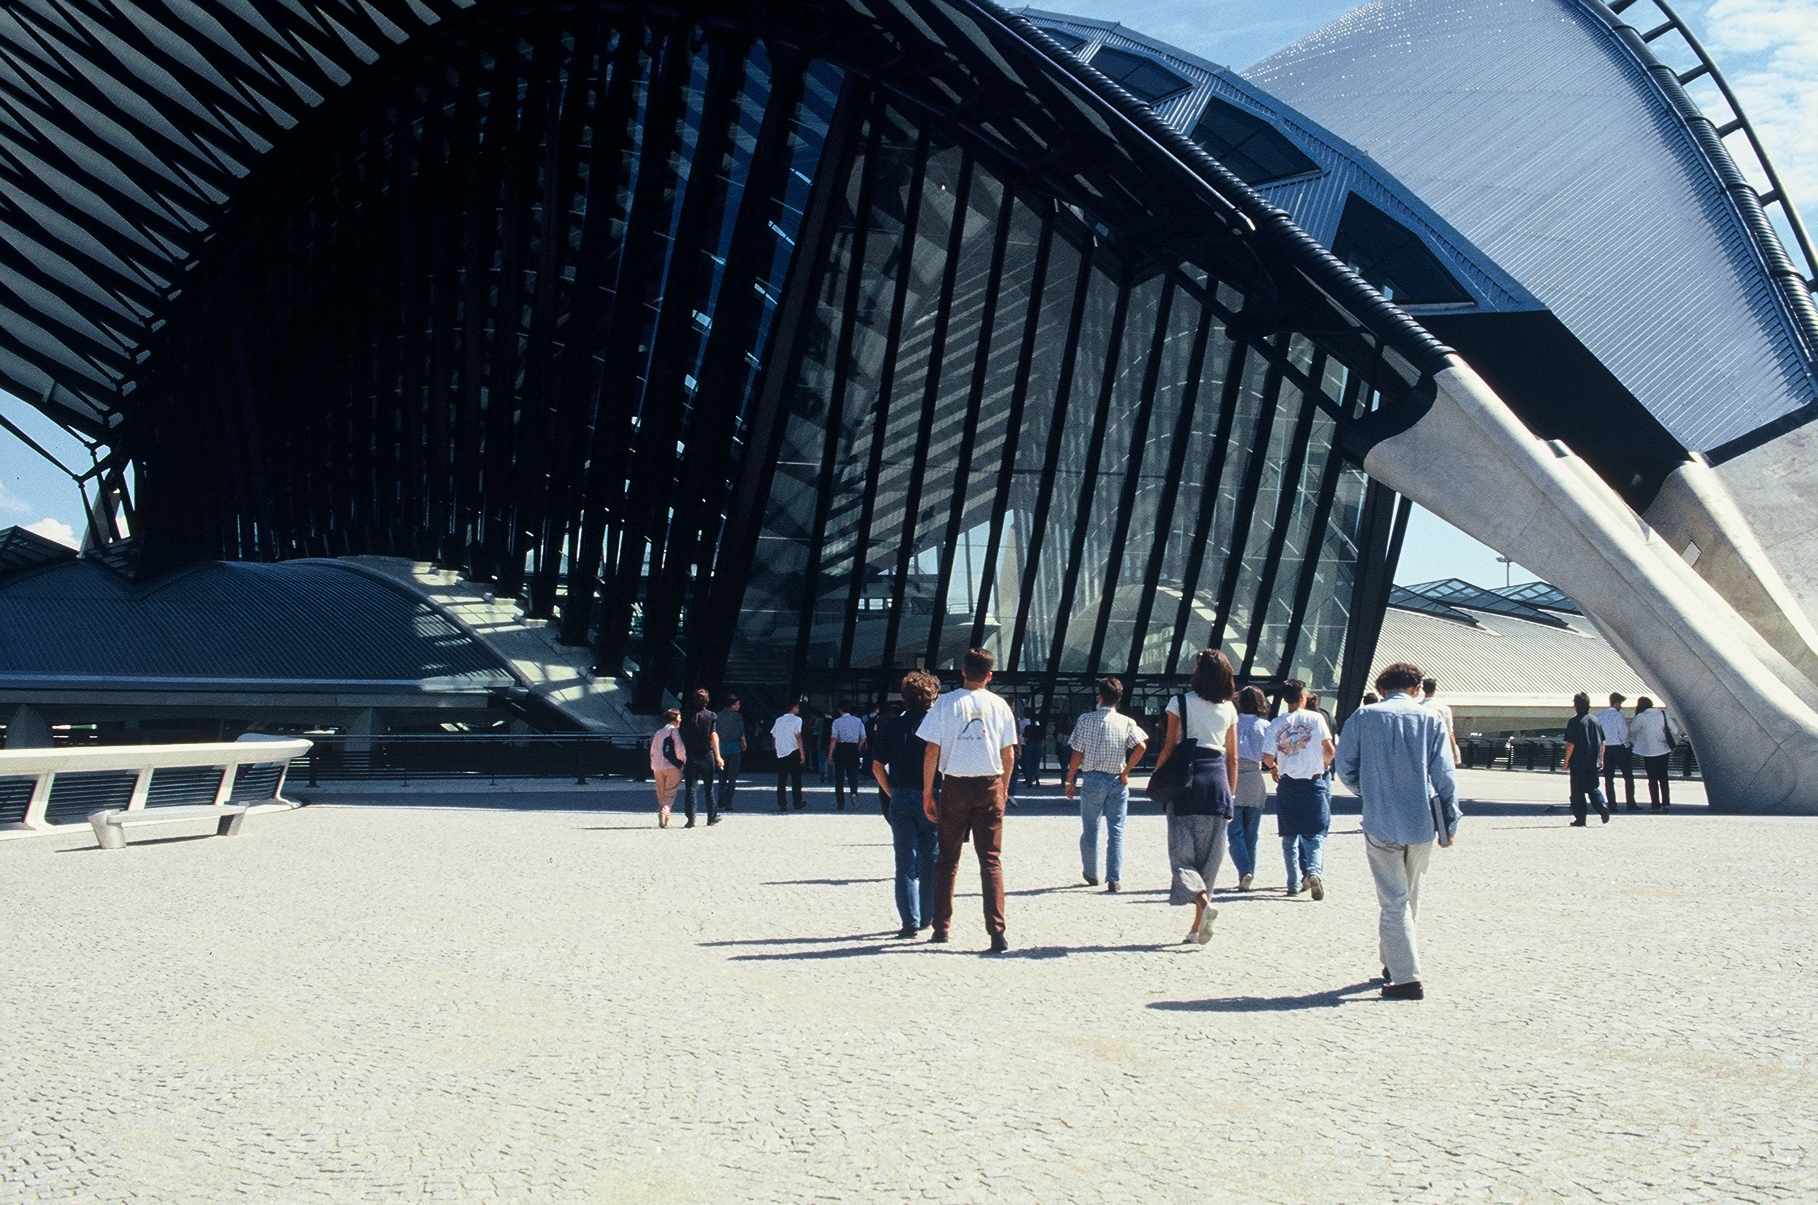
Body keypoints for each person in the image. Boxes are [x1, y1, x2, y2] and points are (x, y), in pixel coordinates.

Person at [1336, 661, 1459, 1000]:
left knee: (1393, 899)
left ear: (1382, 688)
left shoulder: (1363, 716)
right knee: (1410, 893)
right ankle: (1393, 961)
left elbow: (1344, 767)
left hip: (1380, 820)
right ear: (1416, 688)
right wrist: (1450, 820)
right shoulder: (1430, 718)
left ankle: (1406, 978)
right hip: (1421, 820)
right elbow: (1445, 775)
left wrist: (1368, 790)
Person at [918, 648, 1019, 953]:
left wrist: (928, 792)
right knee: (990, 859)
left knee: (947, 859)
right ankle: (997, 932)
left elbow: (931, 750)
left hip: (955, 785)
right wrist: (1004, 788)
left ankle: (941, 927)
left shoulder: (945, 703)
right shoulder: (1000, 705)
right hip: (990, 784)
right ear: (990, 676)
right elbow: (1008, 753)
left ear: (962, 671)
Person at [1151, 649, 1239, 947]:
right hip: (1218, 785)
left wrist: (1157, 776)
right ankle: (1197, 927)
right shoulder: (1229, 708)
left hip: (1186, 782)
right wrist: (1231, 793)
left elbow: (1169, 746)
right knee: (1209, 861)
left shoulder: (1180, 703)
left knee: (1181, 857)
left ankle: (1203, 904)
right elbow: (1233, 757)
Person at [872, 671, 941, 937]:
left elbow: (877, 766)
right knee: (930, 858)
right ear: (933, 695)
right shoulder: (938, 726)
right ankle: (927, 916)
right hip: (931, 795)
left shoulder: (892, 726)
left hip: (901, 795)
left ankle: (909, 922)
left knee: (904, 861)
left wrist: (891, 792)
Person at [1063, 676, 1147, 893]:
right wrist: (1126, 771)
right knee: (1116, 830)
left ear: (1100, 697)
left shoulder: (1085, 720)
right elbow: (1141, 747)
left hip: (1093, 778)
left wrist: (1070, 780)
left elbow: (1077, 752)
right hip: (1117, 780)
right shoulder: (1127, 722)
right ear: (1118, 698)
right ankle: (1114, 878)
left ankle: (1091, 873)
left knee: (1090, 829)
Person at [1265, 678, 1333, 898]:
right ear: (1303, 697)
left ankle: (1293, 882)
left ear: (1285, 699)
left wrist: (1274, 768)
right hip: (1312, 782)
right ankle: (1313, 871)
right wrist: (1323, 763)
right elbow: (1329, 749)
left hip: (1287, 783)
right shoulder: (1316, 718)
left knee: (1289, 837)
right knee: (1314, 834)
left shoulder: (1276, 723)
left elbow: (1267, 756)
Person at [1230, 685, 1270, 892]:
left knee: (1234, 832)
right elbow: (1269, 755)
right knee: (1251, 834)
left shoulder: (1232, 723)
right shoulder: (1265, 726)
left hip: (1233, 777)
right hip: (1255, 777)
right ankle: (1249, 872)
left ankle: (1244, 870)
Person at [1562, 691, 1609, 826]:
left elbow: (1571, 744)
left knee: (1577, 792)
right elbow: (1602, 742)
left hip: (1578, 762)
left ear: (1575, 706)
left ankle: (1580, 818)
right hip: (1593, 761)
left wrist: (1566, 761)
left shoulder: (1574, 721)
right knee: (1593, 788)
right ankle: (1601, 805)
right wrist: (1601, 759)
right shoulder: (1595, 721)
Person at [679, 688, 723, 828]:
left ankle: (691, 817)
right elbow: (713, 735)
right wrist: (718, 755)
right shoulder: (711, 716)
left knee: (690, 787)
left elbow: (681, 735)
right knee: (709, 788)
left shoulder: (686, 716)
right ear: (707, 701)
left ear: (694, 700)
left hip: (691, 753)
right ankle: (711, 816)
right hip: (706, 753)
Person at [1630, 695, 1679, 811]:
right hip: (1664, 749)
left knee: (1652, 779)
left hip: (1648, 751)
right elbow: (1675, 730)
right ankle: (1666, 803)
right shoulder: (1663, 713)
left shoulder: (1642, 716)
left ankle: (1655, 805)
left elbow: (1633, 729)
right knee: (1663, 777)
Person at [1598, 692, 1637, 812]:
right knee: (1628, 776)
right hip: (1619, 747)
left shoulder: (1601, 715)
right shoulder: (1618, 716)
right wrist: (1626, 744)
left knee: (1609, 778)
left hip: (1607, 748)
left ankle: (1612, 804)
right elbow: (1624, 733)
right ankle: (1630, 803)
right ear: (1617, 703)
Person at [648, 709, 685, 828]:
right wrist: (684, 761)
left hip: (658, 766)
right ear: (676, 718)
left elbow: (653, 750)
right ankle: (665, 810)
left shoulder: (658, 732)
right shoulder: (675, 732)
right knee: (670, 792)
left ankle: (665, 815)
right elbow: (679, 749)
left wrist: (653, 764)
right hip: (672, 766)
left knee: (661, 792)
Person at [828, 703, 866, 811]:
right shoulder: (858, 721)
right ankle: (853, 792)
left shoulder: (837, 722)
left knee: (839, 777)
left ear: (840, 710)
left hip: (841, 748)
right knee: (853, 775)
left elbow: (834, 738)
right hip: (853, 748)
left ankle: (840, 803)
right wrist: (858, 747)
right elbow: (863, 737)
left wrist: (830, 753)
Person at [714, 694, 746, 813]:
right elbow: (741, 733)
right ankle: (729, 803)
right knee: (732, 776)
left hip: (721, 748)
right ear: (732, 705)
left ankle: (721, 792)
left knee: (722, 775)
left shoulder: (718, 716)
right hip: (734, 748)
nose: (739, 706)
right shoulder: (738, 717)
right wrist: (744, 744)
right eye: (737, 704)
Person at [772, 701, 806, 811]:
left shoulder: (779, 720)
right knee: (796, 778)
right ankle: (797, 802)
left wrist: (777, 747)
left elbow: (774, 736)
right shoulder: (797, 720)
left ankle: (782, 803)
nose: (798, 709)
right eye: (797, 707)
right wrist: (802, 752)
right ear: (794, 707)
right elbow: (798, 736)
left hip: (781, 751)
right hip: (794, 750)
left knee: (782, 779)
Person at [1422, 677, 1461, 768]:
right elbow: (1450, 732)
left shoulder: (1417, 707)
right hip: (1439, 746)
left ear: (1423, 689)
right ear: (1435, 690)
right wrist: (1455, 753)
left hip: (1422, 746)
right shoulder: (1445, 709)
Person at [1022, 713, 1045, 788]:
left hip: (1029, 745)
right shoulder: (1039, 728)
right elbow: (1043, 740)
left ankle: (1029, 782)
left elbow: (1025, 738)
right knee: (1036, 763)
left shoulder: (1027, 727)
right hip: (1038, 745)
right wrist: (1042, 749)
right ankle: (1037, 779)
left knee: (1028, 764)